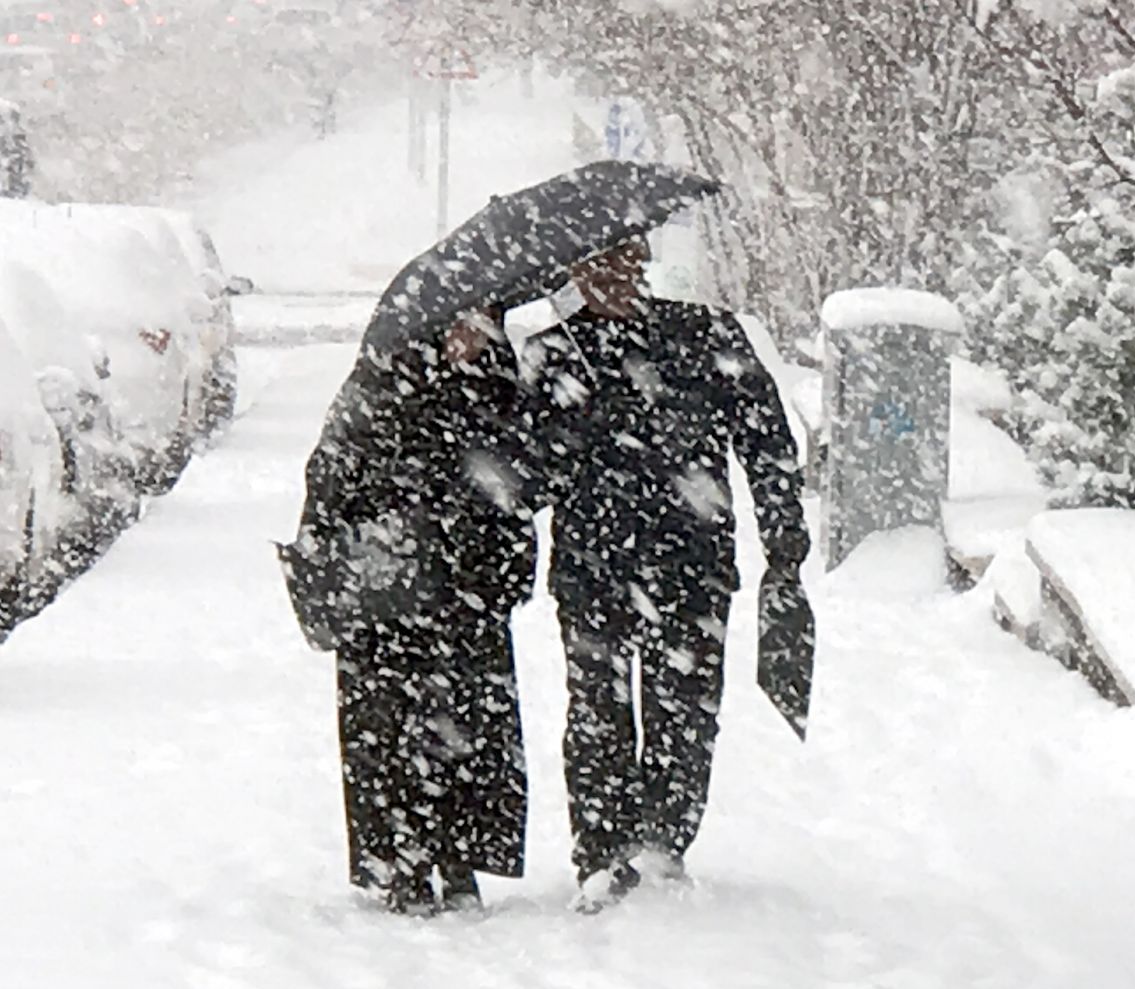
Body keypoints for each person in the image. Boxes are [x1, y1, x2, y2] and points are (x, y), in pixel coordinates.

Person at [522, 237, 810, 913]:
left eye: (623, 262)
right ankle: (601, 851)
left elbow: (765, 440)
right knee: (597, 709)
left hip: (691, 561)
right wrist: (572, 424)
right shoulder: (554, 351)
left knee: (686, 709)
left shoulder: (703, 333)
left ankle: (664, 838)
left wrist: (784, 544)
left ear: (643, 261)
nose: (612, 279)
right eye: (595, 267)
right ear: (573, 273)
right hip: (594, 566)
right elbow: (528, 473)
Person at [288, 305, 550, 915]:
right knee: (389, 732)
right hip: (390, 596)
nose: (470, 338)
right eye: (458, 324)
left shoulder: (499, 393)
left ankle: (459, 857)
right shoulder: (380, 390)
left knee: (468, 730)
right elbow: (329, 478)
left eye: (483, 326)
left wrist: (503, 563)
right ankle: (400, 860)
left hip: (468, 592)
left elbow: (524, 488)